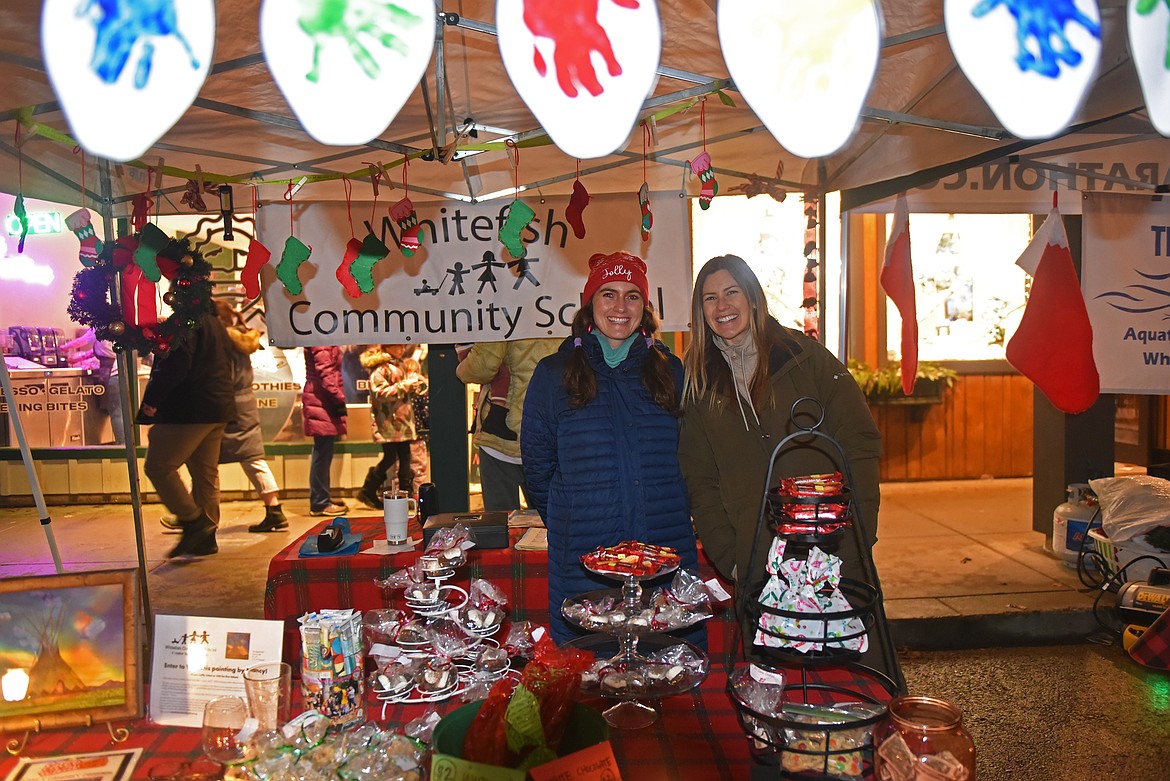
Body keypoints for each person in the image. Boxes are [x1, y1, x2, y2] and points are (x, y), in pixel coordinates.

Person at [677, 254, 895, 677]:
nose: (722, 305)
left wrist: (860, 528)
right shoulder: (699, 382)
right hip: (758, 559)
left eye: (731, 292)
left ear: (754, 299)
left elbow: (861, 441)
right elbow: (699, 478)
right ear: (700, 312)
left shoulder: (804, 357)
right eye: (709, 298)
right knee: (774, 691)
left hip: (834, 552)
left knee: (851, 683)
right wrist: (730, 555)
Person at [521, 251, 700, 645]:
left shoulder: (670, 370)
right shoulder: (554, 375)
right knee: (591, 675)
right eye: (608, 294)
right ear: (590, 305)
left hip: (664, 546)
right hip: (584, 555)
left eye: (632, 295)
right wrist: (573, 518)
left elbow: (691, 457)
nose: (620, 306)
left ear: (645, 307)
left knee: (666, 672)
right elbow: (537, 468)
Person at [160, 300, 288, 533]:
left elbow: (219, 375)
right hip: (244, 402)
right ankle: (274, 509)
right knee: (251, 457)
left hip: (224, 404)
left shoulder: (219, 339)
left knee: (203, 464)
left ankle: (194, 513)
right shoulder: (242, 337)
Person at [138, 305, 237, 558]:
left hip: (189, 408)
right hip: (217, 407)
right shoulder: (215, 323)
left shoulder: (185, 321)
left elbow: (175, 365)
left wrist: (152, 402)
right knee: (205, 475)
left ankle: (193, 522)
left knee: (158, 467)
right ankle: (206, 538)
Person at [455, 338, 560, 511]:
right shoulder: (560, 313)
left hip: (502, 436)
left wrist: (461, 369)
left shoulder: (502, 313)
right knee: (553, 523)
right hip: (549, 432)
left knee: (502, 525)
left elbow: (481, 369)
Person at [355, 345, 421, 508]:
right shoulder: (381, 368)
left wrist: (415, 384)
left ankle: (404, 496)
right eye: (398, 345)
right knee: (392, 457)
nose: (402, 348)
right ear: (387, 346)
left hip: (401, 421)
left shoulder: (399, 365)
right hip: (389, 423)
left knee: (404, 457)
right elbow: (380, 393)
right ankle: (369, 489)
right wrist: (406, 385)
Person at [303, 346, 349, 516]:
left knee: (323, 450)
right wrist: (339, 398)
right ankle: (320, 502)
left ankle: (322, 498)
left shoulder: (322, 339)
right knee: (322, 451)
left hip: (322, 398)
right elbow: (326, 372)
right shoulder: (321, 340)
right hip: (321, 399)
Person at [60, 327, 123, 444]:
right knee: (119, 412)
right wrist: (82, 356)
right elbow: (103, 349)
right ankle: (124, 444)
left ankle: (122, 445)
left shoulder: (101, 325)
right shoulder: (116, 326)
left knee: (116, 413)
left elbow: (83, 340)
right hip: (120, 374)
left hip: (113, 376)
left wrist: (64, 347)